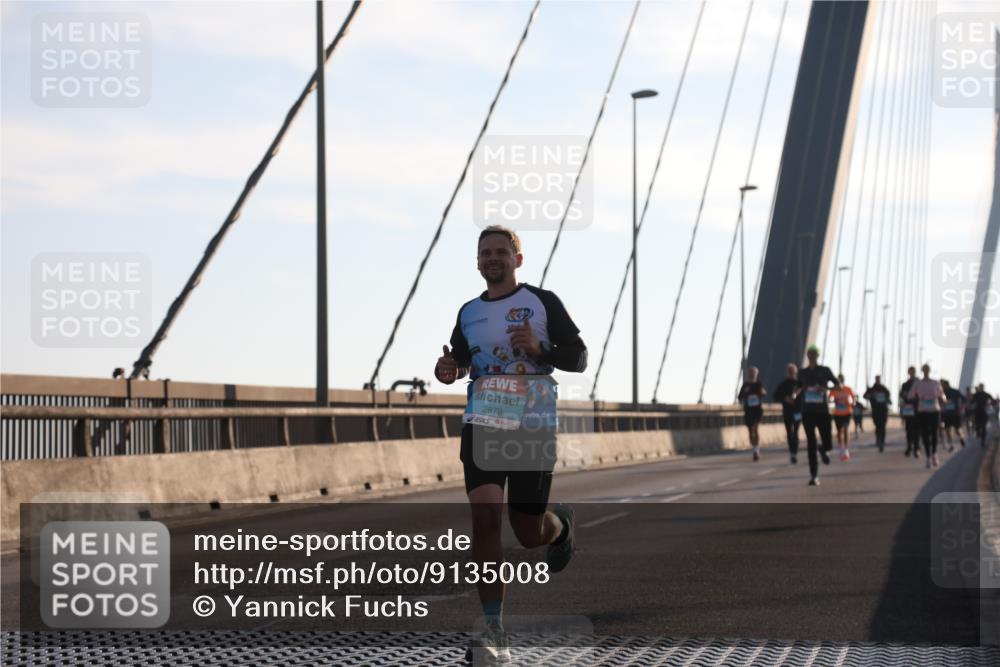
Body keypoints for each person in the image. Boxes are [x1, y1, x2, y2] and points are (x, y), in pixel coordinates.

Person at [435, 225, 587, 663]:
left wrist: (541, 346)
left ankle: (559, 526)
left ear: (517, 260)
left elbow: (578, 357)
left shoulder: (542, 302)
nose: (493, 259)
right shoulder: (468, 312)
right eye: (486, 253)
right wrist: (451, 366)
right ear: (478, 262)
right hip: (484, 419)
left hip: (532, 419)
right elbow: (463, 360)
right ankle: (494, 627)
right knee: (484, 519)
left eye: (502, 252)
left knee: (526, 531)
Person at [795, 345, 838, 486]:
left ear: (818, 356)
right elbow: (797, 387)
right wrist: (795, 393)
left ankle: (824, 449)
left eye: (814, 354)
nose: (812, 356)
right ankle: (814, 475)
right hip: (807, 411)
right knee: (810, 444)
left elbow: (838, 385)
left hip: (822, 411)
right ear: (807, 356)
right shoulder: (802, 373)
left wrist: (826, 388)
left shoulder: (825, 371)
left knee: (828, 443)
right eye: (810, 354)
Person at [907, 364, 945, 468]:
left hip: (934, 410)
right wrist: (918, 397)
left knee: (934, 433)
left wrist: (941, 398)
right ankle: (928, 457)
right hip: (923, 411)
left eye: (927, 369)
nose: (926, 371)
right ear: (922, 371)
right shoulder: (917, 383)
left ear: (930, 370)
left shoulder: (935, 383)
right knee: (924, 434)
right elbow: (910, 395)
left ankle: (934, 454)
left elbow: (942, 395)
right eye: (924, 369)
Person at [772, 364, 801, 464]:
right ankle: (792, 453)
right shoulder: (783, 384)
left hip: (797, 411)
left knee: (796, 432)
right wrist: (785, 399)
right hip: (787, 411)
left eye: (792, 371)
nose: (791, 373)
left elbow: (806, 396)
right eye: (789, 371)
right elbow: (775, 396)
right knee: (789, 433)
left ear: (795, 372)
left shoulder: (799, 384)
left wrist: (797, 398)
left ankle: (795, 452)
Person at [738, 367, 767, 461]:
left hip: (757, 410)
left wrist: (762, 392)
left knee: (756, 428)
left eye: (753, 373)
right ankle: (754, 447)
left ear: (756, 374)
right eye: (750, 372)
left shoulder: (759, 384)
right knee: (751, 431)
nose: (752, 374)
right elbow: (740, 397)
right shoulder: (745, 385)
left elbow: (764, 393)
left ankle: (756, 450)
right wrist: (744, 392)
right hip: (748, 410)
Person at [830, 374, 856, 461]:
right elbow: (829, 398)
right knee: (839, 431)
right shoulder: (834, 390)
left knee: (845, 429)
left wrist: (853, 402)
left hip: (847, 412)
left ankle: (845, 448)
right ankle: (841, 447)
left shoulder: (848, 389)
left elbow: (853, 398)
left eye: (841, 380)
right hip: (837, 413)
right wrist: (834, 400)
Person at [863, 375, 892, 452]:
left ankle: (882, 441)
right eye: (877, 379)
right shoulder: (871, 389)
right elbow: (865, 396)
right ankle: (878, 439)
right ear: (875, 380)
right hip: (875, 410)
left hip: (883, 410)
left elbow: (888, 396)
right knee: (877, 425)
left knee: (882, 425)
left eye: (879, 379)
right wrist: (871, 395)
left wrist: (886, 399)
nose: (878, 380)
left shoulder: (884, 389)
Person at [939, 379, 966, 450]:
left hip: (955, 413)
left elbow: (964, 399)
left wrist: (961, 407)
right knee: (947, 430)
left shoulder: (955, 391)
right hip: (946, 414)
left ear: (947, 385)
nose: (942, 386)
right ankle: (951, 444)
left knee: (957, 429)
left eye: (943, 385)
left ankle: (961, 438)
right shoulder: (941, 392)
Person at [899, 367, 920, 458]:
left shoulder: (920, 383)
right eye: (910, 371)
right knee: (908, 429)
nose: (911, 373)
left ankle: (916, 448)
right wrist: (902, 410)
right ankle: (909, 447)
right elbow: (901, 397)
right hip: (908, 409)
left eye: (913, 371)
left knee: (917, 429)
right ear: (908, 372)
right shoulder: (905, 384)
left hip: (918, 408)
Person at [971, 384, 995, 448]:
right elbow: (972, 402)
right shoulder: (976, 394)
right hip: (978, 412)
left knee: (983, 427)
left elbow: (993, 401)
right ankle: (978, 433)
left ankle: (982, 441)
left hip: (984, 412)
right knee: (978, 425)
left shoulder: (986, 394)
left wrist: (989, 404)